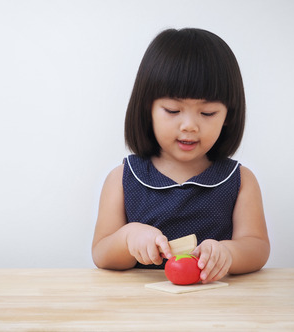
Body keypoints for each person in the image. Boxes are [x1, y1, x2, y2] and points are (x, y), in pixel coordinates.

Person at [91, 28, 270, 284]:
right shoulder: (123, 178)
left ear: (228, 116)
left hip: (215, 307)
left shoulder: (239, 180)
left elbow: (257, 247)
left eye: (207, 113)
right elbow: (101, 254)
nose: (189, 126)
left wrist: (228, 252)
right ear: (147, 108)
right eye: (173, 110)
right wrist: (127, 238)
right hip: (140, 308)